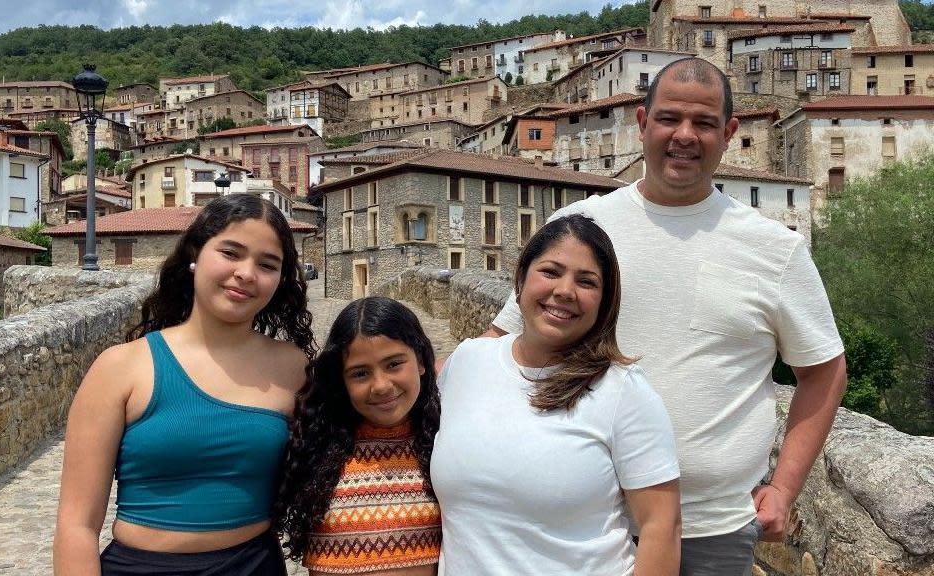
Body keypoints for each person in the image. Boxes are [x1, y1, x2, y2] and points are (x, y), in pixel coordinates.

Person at [487, 58, 847, 575]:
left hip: (712, 530)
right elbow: (502, 347)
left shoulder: (776, 250)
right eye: (668, 119)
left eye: (702, 124)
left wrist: (784, 487)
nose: (684, 136)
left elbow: (825, 372)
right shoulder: (579, 227)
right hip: (582, 519)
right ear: (642, 124)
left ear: (729, 133)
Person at [53, 194, 316, 576]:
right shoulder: (121, 368)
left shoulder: (295, 369)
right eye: (230, 253)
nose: (246, 273)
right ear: (195, 254)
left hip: (254, 566)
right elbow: (76, 524)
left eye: (267, 265)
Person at [433, 215, 681, 576]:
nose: (565, 291)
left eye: (586, 281)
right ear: (520, 281)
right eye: (550, 272)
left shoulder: (623, 392)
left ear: (604, 302)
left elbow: (663, 527)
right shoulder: (468, 362)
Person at [273, 296, 442, 576]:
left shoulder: (443, 447)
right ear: (341, 379)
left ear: (421, 362)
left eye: (394, 364)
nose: (381, 386)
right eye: (360, 373)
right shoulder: (314, 447)